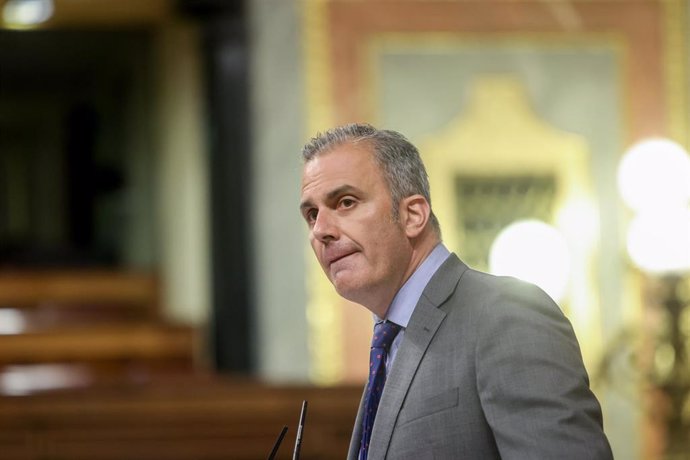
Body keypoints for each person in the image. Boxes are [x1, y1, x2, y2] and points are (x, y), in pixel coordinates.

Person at [299, 123, 612, 459]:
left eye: (345, 202)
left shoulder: (507, 316)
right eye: (312, 214)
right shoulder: (390, 343)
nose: (321, 230)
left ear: (413, 215)